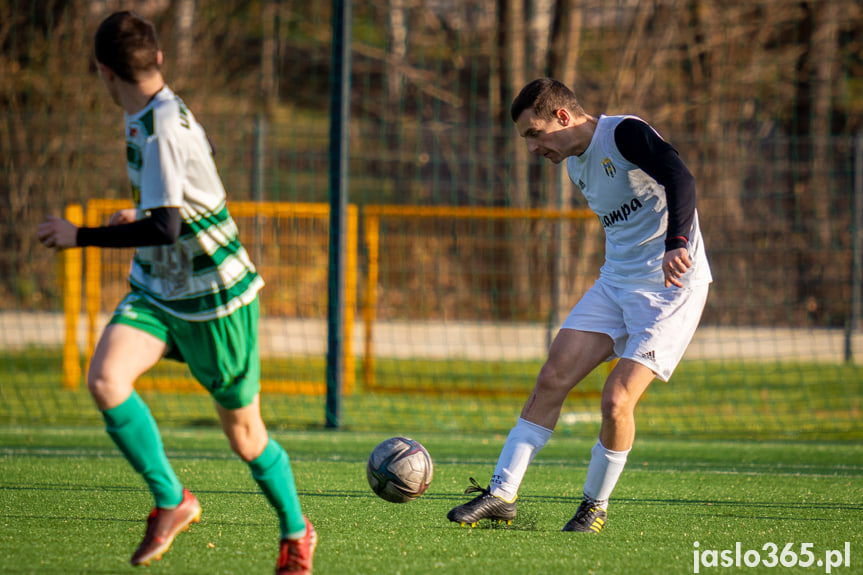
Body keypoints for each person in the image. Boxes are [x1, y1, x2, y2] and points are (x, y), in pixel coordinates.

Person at [37, 11, 316, 573]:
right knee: (107, 380)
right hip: (159, 288)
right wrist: (138, 212)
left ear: (103, 72)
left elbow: (167, 226)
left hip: (215, 298)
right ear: (158, 59)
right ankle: (172, 500)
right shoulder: (152, 106)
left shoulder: (161, 123)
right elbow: (178, 203)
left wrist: (81, 236)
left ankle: (295, 531)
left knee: (245, 436)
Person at [447, 77, 712, 533]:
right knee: (552, 376)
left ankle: (594, 507)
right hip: (615, 284)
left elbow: (680, 176)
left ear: (563, 117)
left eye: (534, 134)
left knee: (616, 400)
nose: (532, 148)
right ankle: (502, 494)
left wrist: (678, 242)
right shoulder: (574, 166)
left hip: (670, 290)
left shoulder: (624, 133)